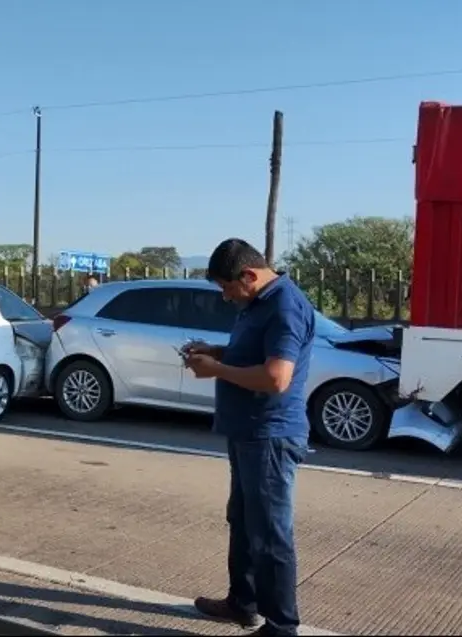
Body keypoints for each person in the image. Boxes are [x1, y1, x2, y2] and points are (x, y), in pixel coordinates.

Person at [183, 238, 315, 637]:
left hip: (269, 436)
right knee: (242, 520)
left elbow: (277, 377)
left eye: (227, 288)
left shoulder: (284, 307)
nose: (225, 297)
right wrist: (218, 352)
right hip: (248, 432)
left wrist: (215, 371)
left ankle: (281, 627)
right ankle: (243, 602)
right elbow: (254, 354)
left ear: (249, 275)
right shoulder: (257, 302)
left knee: (271, 534)